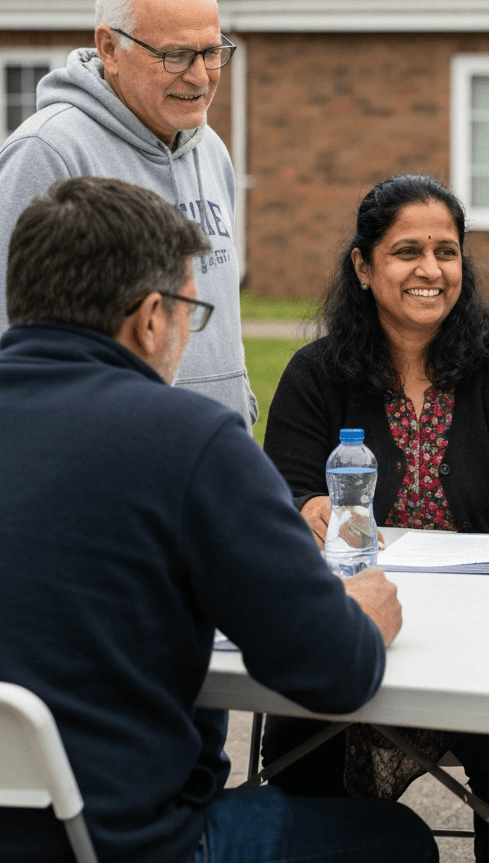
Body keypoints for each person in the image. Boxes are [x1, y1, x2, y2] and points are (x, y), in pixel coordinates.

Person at [0, 175, 437, 863]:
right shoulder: (186, 439)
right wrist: (360, 615)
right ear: (149, 318)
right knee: (396, 842)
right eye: (188, 314)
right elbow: (333, 672)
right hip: (125, 843)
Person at [260, 173, 489, 863]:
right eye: (407, 251)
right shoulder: (315, 376)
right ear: (364, 267)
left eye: (447, 251)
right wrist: (302, 507)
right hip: (350, 628)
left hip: (483, 640)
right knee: (299, 742)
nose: (431, 269)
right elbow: (268, 507)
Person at [0, 0, 256, 426]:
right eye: (176, 55)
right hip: (110, 462)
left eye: (211, 51)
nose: (200, 76)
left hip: (212, 455)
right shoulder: (48, 152)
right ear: (111, 48)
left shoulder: (212, 151)